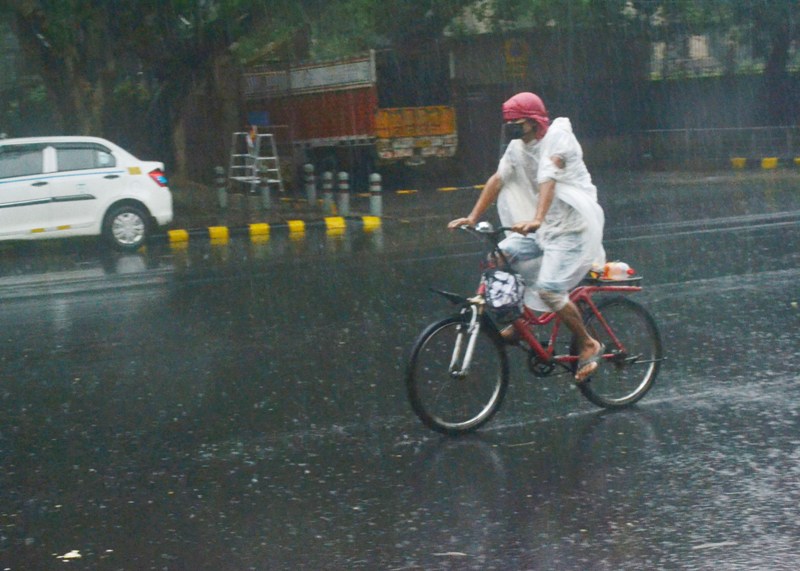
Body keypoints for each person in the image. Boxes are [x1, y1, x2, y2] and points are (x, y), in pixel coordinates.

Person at [447, 92, 606, 383]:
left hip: (571, 230)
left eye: (515, 122)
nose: (510, 127)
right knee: (496, 259)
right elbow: (498, 179)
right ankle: (520, 323)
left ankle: (587, 343)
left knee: (549, 290)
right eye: (508, 122)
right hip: (543, 230)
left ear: (533, 121)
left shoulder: (558, 138)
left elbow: (548, 177)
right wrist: (473, 216)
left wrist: (537, 218)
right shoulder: (517, 147)